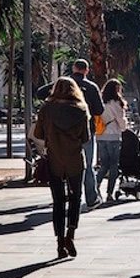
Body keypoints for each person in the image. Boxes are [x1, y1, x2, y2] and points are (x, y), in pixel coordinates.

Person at [33, 77, 90, 259]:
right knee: (76, 198)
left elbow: (38, 134)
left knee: (58, 201)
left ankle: (59, 242)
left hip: (55, 160)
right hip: (75, 160)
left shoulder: (46, 109)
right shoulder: (81, 110)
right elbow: (86, 138)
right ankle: (70, 235)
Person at [37, 59, 104, 209]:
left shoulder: (61, 86)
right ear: (86, 70)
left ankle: (69, 195)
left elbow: (40, 92)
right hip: (84, 131)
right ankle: (91, 198)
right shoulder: (91, 87)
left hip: (60, 133)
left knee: (63, 164)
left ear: (73, 68)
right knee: (86, 165)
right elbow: (99, 110)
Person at [96, 79, 128, 202]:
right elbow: (121, 121)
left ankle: (96, 186)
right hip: (113, 136)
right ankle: (109, 192)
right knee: (113, 165)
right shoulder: (116, 103)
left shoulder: (101, 102)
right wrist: (124, 127)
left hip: (100, 135)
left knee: (103, 164)